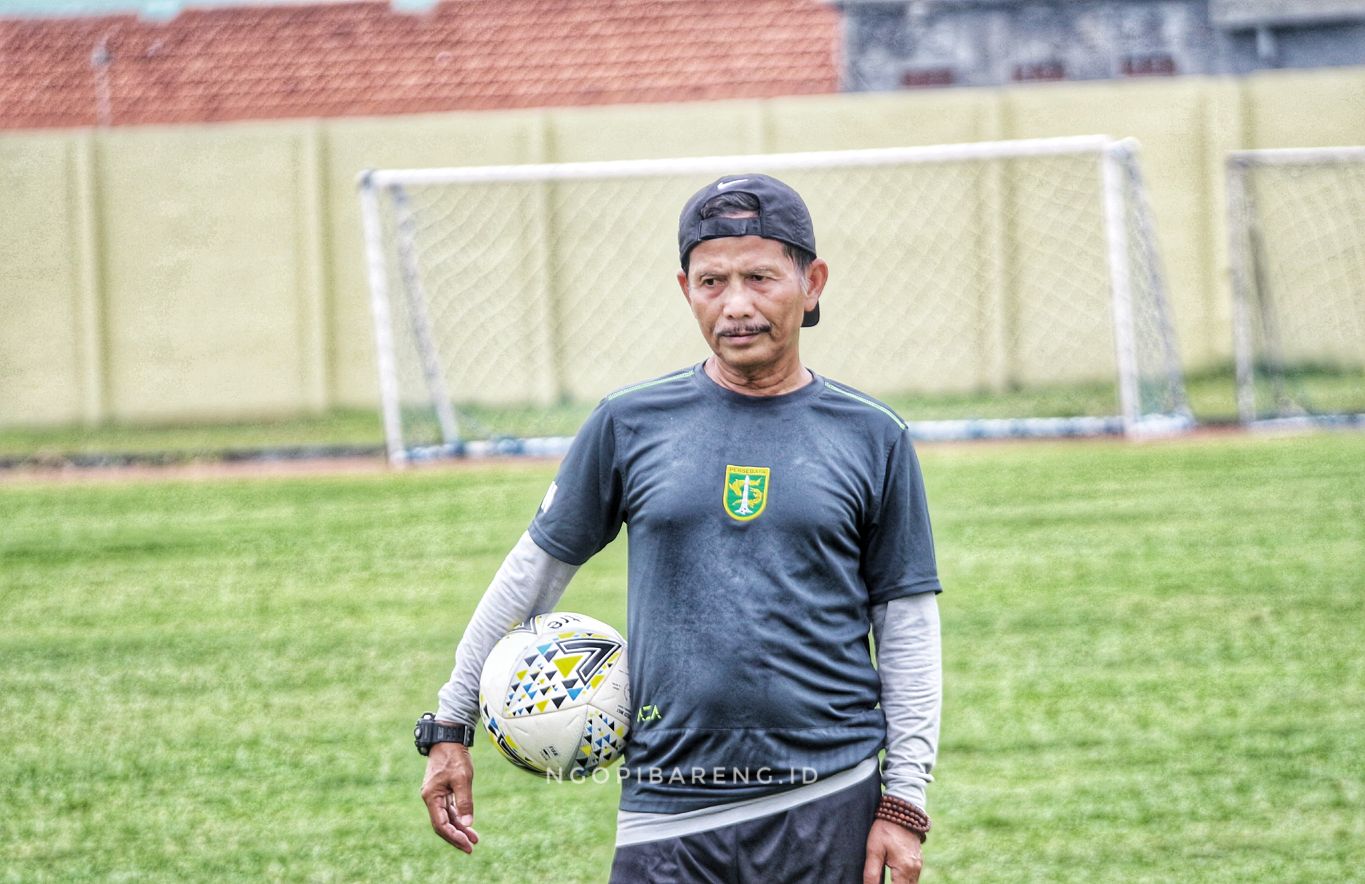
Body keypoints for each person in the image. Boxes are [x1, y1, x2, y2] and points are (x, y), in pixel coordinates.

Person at [415, 173, 943, 884]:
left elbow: (906, 626)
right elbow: (531, 575)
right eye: (711, 282)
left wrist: (903, 801)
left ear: (811, 282)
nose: (735, 305)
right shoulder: (628, 424)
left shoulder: (873, 436)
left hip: (826, 794)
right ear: (683, 288)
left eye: (759, 277)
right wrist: (450, 726)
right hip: (668, 805)